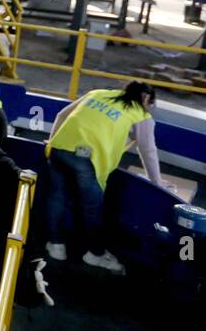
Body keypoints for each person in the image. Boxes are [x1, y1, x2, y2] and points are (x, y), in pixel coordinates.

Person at [44, 81, 167, 274]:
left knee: (57, 197)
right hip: (86, 158)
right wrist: (157, 184)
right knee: (93, 207)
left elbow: (62, 115)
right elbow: (148, 151)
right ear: (145, 99)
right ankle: (95, 253)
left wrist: (51, 142)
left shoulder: (98, 93)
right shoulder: (140, 115)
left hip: (60, 148)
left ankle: (56, 246)